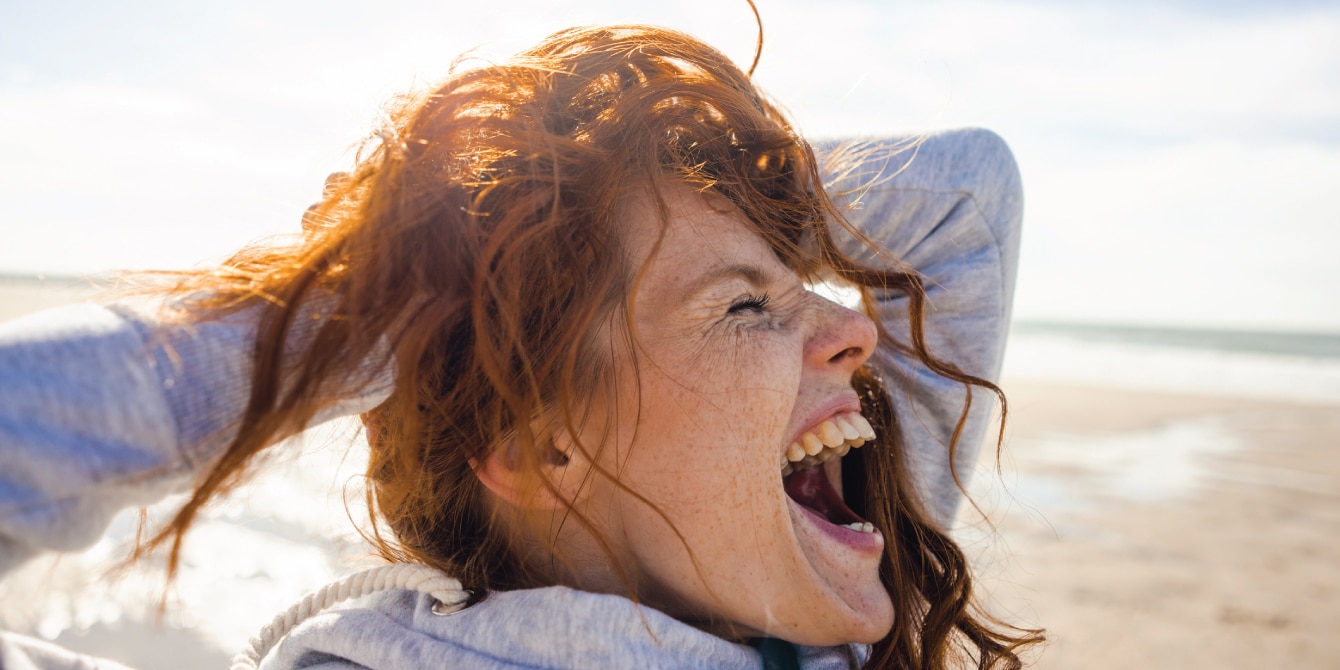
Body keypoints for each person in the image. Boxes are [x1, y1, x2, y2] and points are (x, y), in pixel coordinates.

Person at [0, 24, 1040, 670]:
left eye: (800, 283)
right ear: (543, 447)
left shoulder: (856, 598)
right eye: (739, 308)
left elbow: (964, 197)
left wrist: (663, 201)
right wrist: (367, 316)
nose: (855, 327)